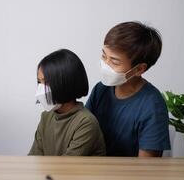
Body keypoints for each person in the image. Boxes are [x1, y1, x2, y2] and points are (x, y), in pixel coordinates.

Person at [86, 21, 171, 157]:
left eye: (114, 61)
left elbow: (147, 168)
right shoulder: (101, 90)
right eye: (104, 56)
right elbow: (84, 133)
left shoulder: (152, 106)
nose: (105, 65)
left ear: (139, 69)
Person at [29, 49, 106, 156]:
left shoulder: (86, 122)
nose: (40, 88)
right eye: (39, 81)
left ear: (65, 83)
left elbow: (67, 166)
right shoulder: (46, 117)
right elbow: (34, 158)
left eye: (46, 82)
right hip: (52, 173)